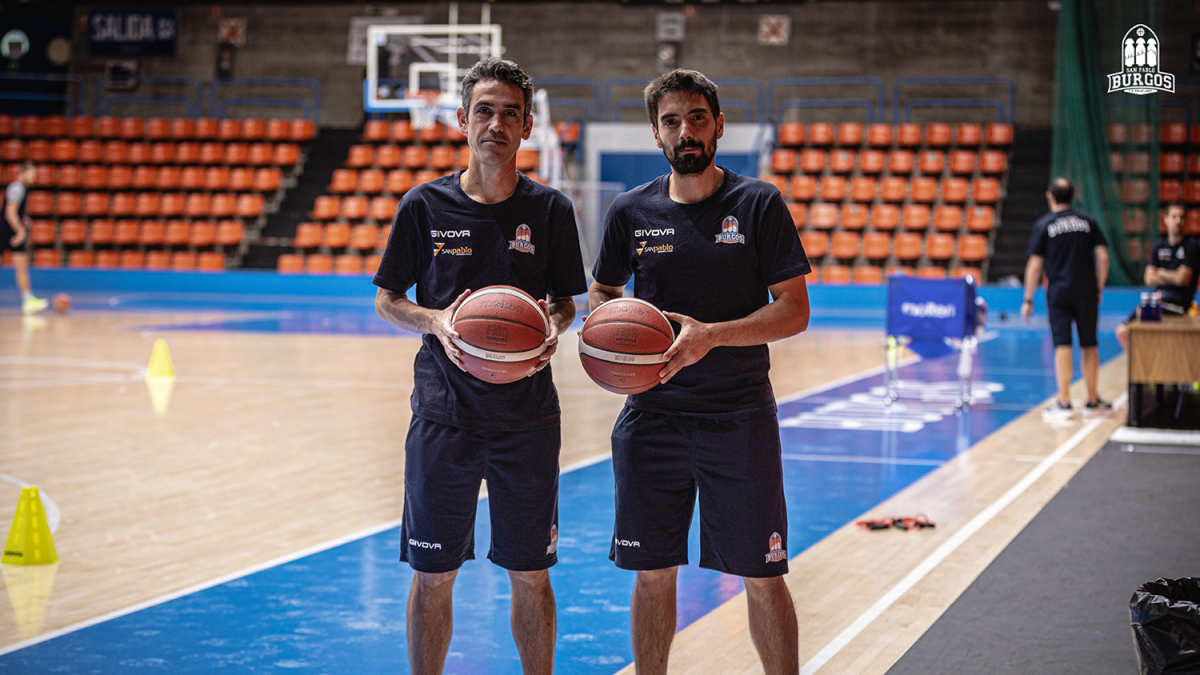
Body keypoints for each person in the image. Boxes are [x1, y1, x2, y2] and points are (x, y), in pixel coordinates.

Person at [588, 69, 811, 675]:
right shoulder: (630, 211)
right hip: (652, 417)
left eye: (696, 118)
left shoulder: (758, 202)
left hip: (738, 419)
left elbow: (794, 311)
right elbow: (602, 290)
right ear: (655, 133)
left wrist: (710, 337)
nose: (684, 131)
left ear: (717, 125)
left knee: (762, 575)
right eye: (670, 121)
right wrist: (614, 334)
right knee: (652, 572)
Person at [372, 57, 586, 675]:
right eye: (485, 110)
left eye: (511, 113)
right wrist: (436, 321)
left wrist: (551, 328)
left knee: (531, 572)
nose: (497, 123)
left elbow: (567, 305)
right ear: (462, 119)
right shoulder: (423, 206)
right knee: (433, 575)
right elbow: (388, 301)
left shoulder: (550, 211)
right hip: (445, 417)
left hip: (527, 419)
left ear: (525, 129)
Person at [1020, 177, 1111, 419]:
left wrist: (1027, 299)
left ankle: (1064, 402)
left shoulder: (1044, 224)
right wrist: (1099, 286)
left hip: (1059, 293)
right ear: (1072, 196)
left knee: (1062, 345)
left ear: (1051, 197)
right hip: (1086, 292)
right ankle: (1093, 402)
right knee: (1089, 344)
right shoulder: (1088, 221)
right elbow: (1103, 256)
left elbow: (1034, 265)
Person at [1115, 203, 1198, 350]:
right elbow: (1148, 278)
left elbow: (1182, 279)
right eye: (1174, 216)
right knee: (1122, 332)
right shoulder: (1159, 246)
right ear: (1166, 219)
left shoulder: (1191, 246)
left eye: (1181, 217)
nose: (1178, 220)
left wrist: (1159, 272)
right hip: (1157, 298)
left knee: (1144, 312)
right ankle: (1139, 367)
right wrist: (1172, 275)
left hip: (1179, 304)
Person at [3, 161, 48, 313]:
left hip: (12, 232)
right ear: (23, 172)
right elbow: (9, 212)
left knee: (22, 266)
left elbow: (15, 212)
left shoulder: (22, 188)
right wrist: (20, 231)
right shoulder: (17, 188)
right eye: (32, 174)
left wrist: (24, 218)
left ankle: (28, 299)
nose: (34, 177)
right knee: (21, 267)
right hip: (5, 233)